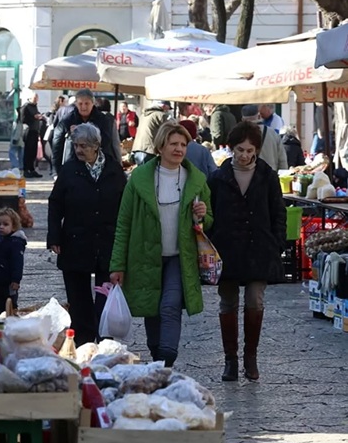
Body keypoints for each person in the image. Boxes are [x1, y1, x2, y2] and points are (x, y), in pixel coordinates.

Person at [110, 121, 212, 367]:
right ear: (161, 146)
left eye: (183, 144)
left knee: (170, 305)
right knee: (152, 308)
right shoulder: (140, 178)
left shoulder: (195, 179)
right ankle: (157, 356)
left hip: (180, 256)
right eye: (174, 144)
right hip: (146, 254)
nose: (179, 149)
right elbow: (123, 223)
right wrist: (117, 265)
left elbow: (207, 221)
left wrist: (202, 215)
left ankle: (167, 359)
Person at [208, 121, 286, 381]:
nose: (244, 155)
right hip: (227, 250)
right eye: (239, 149)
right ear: (231, 149)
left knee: (255, 298)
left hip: (259, 249)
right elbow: (212, 213)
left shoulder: (267, 175)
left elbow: (278, 211)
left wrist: (277, 243)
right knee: (228, 301)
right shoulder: (218, 178)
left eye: (249, 150)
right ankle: (230, 360)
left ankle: (250, 358)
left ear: (257, 150)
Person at [47, 123, 126, 346]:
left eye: (83, 146)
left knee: (105, 299)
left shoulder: (113, 169)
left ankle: (104, 343)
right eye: (76, 145)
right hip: (75, 241)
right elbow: (56, 203)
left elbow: (124, 205)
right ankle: (83, 343)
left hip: (106, 242)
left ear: (96, 146)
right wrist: (54, 236)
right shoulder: (70, 169)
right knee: (78, 298)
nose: (79, 150)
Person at [55, 89, 120, 167]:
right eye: (80, 104)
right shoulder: (68, 120)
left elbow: (107, 141)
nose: (83, 107)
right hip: (74, 163)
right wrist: (57, 169)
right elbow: (57, 143)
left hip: (99, 164)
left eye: (87, 103)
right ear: (76, 104)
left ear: (93, 103)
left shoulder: (103, 119)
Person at [240, 105, 287, 171]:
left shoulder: (239, 133)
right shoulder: (272, 133)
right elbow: (282, 159)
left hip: (247, 174)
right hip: (270, 174)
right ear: (258, 116)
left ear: (242, 119)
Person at [131, 100, 171, 166]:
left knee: (141, 173)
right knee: (147, 174)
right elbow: (169, 131)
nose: (168, 111)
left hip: (138, 148)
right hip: (149, 150)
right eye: (168, 108)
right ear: (164, 106)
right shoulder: (161, 115)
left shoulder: (144, 115)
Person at [21, 92, 44, 178]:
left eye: (36, 98)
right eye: (34, 98)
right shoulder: (26, 106)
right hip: (28, 131)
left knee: (33, 152)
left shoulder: (35, 106)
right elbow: (22, 119)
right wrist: (33, 117)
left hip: (35, 131)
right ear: (30, 98)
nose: (35, 100)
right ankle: (26, 170)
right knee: (28, 151)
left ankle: (32, 169)